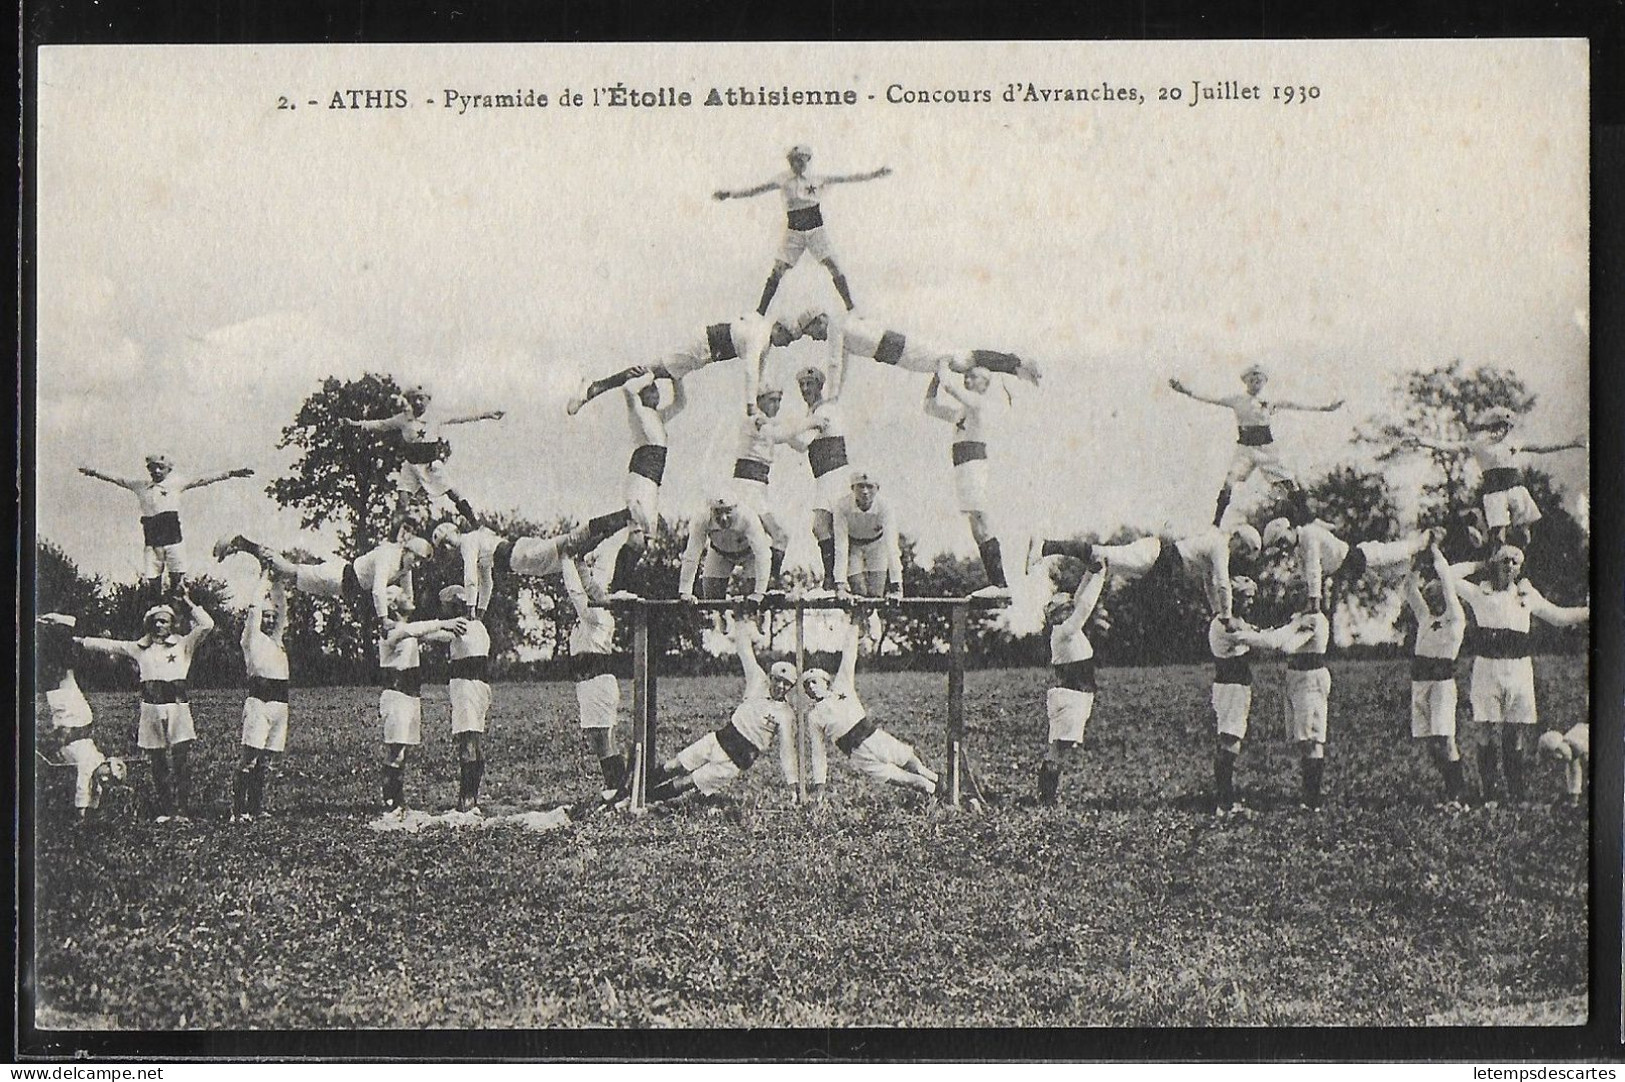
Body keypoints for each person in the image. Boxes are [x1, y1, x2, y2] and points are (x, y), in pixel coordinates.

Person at [1448, 546, 1588, 805]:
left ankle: (1516, 795)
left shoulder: (1526, 595)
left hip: (1519, 669)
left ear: (1520, 568)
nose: (1509, 564)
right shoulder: (1480, 592)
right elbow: (1448, 575)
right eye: (1504, 560)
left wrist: (1589, 611)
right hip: (1487, 668)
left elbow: (1558, 616)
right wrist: (1478, 565)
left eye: (1515, 561)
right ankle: (1489, 795)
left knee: (1514, 735)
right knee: (1486, 732)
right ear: (1495, 563)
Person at [75, 591, 215, 821]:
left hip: (178, 708)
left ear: (172, 624)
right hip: (151, 709)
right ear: (149, 624)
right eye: (155, 621)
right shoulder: (140, 648)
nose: (159, 625)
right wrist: (81, 641)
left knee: (180, 760)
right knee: (158, 762)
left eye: (164, 621)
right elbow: (112, 646)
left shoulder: (183, 645)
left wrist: (188, 602)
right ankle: (166, 810)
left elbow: (207, 624)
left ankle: (182, 811)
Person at [713, 145, 892, 315]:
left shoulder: (817, 179)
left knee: (833, 265)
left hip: (816, 231)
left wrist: (875, 174)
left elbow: (848, 178)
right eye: (793, 161)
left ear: (807, 160)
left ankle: (851, 309)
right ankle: (760, 313)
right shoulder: (782, 179)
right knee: (778, 269)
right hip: (794, 233)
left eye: (801, 160)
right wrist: (730, 194)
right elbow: (755, 190)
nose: (797, 164)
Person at [643, 617, 799, 804]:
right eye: (777, 680)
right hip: (719, 738)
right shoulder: (758, 681)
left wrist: (793, 784)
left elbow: (787, 750)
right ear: (770, 677)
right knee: (674, 765)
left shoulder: (786, 714)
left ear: (791, 687)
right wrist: (742, 618)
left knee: (686, 782)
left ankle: (648, 801)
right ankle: (631, 794)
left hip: (736, 758)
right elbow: (745, 651)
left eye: (786, 684)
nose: (780, 686)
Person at [1167, 365, 1343, 527]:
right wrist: (1185, 390)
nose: (1255, 383)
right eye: (1251, 380)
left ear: (1264, 382)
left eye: (1259, 380)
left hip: (1267, 448)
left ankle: (1307, 519)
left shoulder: (1270, 400)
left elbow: (1295, 404)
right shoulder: (1238, 400)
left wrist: (1325, 408)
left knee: (1288, 481)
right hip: (1245, 448)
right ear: (1245, 382)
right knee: (1230, 480)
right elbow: (1211, 398)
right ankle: (1216, 522)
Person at [78, 454, 255, 601]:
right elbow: (117, 478)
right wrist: (93, 472)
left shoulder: (175, 484)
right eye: (152, 468)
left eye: (160, 467)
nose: (155, 471)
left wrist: (231, 473)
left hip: (172, 538)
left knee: (177, 582)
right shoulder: (140, 486)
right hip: (152, 540)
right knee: (153, 583)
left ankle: (180, 616)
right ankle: (156, 616)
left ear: (168, 470)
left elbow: (202, 479)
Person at [1407, 406, 1586, 550]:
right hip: (1494, 493)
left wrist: (1571, 443)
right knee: (1498, 535)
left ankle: (1517, 562)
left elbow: (1541, 448)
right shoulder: (1479, 444)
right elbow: (1450, 446)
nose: (1500, 431)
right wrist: (1422, 441)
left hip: (1515, 488)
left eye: (1505, 427)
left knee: (1524, 535)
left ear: (1508, 429)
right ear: (1490, 427)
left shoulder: (1513, 442)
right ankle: (1495, 559)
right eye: (1497, 426)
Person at [802, 615, 939, 799]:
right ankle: (932, 791)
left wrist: (855, 622)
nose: (811, 687)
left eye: (814, 682)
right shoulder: (813, 717)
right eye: (807, 685)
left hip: (873, 736)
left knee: (911, 762)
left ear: (826, 682)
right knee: (908, 780)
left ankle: (940, 782)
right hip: (857, 754)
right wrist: (820, 785)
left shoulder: (841, 686)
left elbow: (849, 655)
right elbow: (818, 752)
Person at [565, 313, 799, 416]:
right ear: (779, 328)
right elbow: (750, 370)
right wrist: (750, 406)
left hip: (705, 350)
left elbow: (759, 374)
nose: (786, 345)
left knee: (649, 371)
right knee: (649, 373)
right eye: (787, 338)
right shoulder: (761, 335)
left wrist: (761, 406)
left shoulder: (764, 341)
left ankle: (594, 387)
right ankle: (593, 387)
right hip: (703, 347)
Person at [342, 385, 503, 527]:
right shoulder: (403, 419)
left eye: (421, 399)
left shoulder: (436, 416)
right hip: (411, 466)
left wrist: (487, 414)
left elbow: (461, 417)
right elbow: (381, 424)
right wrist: (356, 424)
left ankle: (474, 524)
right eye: (414, 400)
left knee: (453, 493)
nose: (418, 403)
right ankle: (395, 539)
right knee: (402, 500)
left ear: (428, 400)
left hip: (430, 464)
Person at [1031, 524, 1261, 623]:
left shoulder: (1217, 543)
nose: (1241, 553)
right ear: (1239, 539)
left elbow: (1210, 583)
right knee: (1100, 556)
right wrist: (1226, 615)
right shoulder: (1221, 546)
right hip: (1158, 558)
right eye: (1244, 548)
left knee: (1101, 563)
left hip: (1159, 560)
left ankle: (1074, 603)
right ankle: (1045, 546)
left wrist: (1217, 612)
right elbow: (1221, 583)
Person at [428, 511, 630, 618]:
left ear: (453, 533)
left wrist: (471, 610)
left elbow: (470, 578)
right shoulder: (477, 544)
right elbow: (486, 584)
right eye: (444, 546)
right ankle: (610, 599)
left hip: (520, 555)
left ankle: (622, 518)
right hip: (523, 563)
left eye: (447, 542)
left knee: (572, 543)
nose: (448, 547)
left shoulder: (468, 541)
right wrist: (480, 613)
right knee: (578, 564)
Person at [1023, 559, 1107, 806]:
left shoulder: (1066, 630)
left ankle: (1046, 798)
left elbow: (1080, 599)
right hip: (1072, 696)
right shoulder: (1065, 631)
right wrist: (1100, 576)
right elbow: (1085, 605)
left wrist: (1090, 572)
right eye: (1065, 608)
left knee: (1059, 749)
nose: (1071, 609)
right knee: (1058, 750)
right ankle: (1046, 801)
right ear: (1057, 614)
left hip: (1074, 695)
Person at [375, 588, 467, 813]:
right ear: (394, 606)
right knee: (396, 752)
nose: (411, 597)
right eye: (404, 597)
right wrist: (443, 622)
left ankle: (397, 801)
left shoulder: (408, 631)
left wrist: (465, 625)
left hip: (409, 696)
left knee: (402, 752)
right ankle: (391, 803)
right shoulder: (389, 630)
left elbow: (438, 635)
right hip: (396, 696)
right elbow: (416, 629)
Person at [215, 531, 432, 623]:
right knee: (287, 570)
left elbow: (408, 597)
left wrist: (410, 618)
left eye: (423, 562)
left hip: (341, 587)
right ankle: (242, 543)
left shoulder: (406, 567)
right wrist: (385, 620)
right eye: (418, 558)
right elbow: (377, 591)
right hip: (338, 576)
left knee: (287, 573)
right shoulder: (388, 555)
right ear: (408, 550)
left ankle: (249, 550)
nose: (419, 564)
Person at [925, 360, 1008, 596]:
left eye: (972, 377)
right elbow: (929, 407)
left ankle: (1000, 582)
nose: (967, 380)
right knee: (976, 525)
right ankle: (997, 581)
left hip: (974, 464)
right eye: (966, 376)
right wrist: (934, 379)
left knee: (981, 519)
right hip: (962, 467)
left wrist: (941, 365)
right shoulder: (963, 411)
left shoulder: (980, 402)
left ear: (985, 383)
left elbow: (952, 388)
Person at [794, 310, 1042, 386]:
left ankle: (1017, 363)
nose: (815, 339)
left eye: (812, 332)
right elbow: (842, 365)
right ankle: (1016, 366)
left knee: (957, 359)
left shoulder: (836, 326)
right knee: (957, 360)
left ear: (820, 321)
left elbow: (835, 364)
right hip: (896, 353)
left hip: (898, 348)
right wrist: (834, 396)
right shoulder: (842, 328)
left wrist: (831, 400)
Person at [37, 613, 128, 819]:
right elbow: (84, 787)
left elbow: (90, 787)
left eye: (107, 778)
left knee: (59, 677)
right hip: (77, 720)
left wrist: (88, 809)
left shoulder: (93, 768)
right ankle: (62, 627)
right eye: (107, 775)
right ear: (107, 766)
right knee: (63, 677)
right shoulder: (95, 763)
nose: (104, 779)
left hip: (70, 725)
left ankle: (60, 628)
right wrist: (83, 812)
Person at [728, 384, 819, 589]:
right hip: (746, 486)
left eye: (779, 400)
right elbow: (778, 435)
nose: (776, 405)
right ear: (759, 400)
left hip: (759, 486)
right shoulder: (756, 419)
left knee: (759, 540)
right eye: (771, 400)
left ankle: (759, 583)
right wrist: (810, 421)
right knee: (779, 535)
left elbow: (800, 445)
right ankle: (770, 582)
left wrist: (817, 426)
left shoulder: (771, 423)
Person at [604, 373, 687, 596]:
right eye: (650, 389)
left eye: (656, 389)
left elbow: (681, 403)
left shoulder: (658, 417)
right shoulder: (637, 412)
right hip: (639, 480)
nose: (656, 393)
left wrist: (675, 375)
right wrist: (649, 374)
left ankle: (622, 586)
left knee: (643, 543)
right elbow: (627, 390)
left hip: (652, 485)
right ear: (642, 393)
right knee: (637, 536)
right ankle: (617, 587)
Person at [1203, 576, 1277, 818]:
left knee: (1230, 741)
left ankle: (1225, 801)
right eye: (1248, 598)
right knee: (1229, 743)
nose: (1251, 603)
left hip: (1235, 686)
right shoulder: (1227, 625)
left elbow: (1255, 631)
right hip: (1231, 688)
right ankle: (1224, 805)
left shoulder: (1235, 621)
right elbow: (1263, 641)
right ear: (1233, 599)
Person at [1403, 544, 1469, 809]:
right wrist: (1416, 561)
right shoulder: (1424, 618)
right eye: (1428, 596)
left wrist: (1436, 551)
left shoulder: (1455, 617)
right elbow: (1409, 590)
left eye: (1435, 595)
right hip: (1420, 682)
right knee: (1431, 744)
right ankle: (1450, 788)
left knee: (1445, 738)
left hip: (1442, 682)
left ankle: (1458, 797)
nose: (1430, 599)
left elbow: (1447, 582)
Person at [1261, 520, 1440, 615]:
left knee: (1401, 551)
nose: (1284, 547)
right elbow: (1305, 573)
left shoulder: (1308, 536)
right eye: (1280, 546)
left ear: (1289, 529)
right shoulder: (1300, 547)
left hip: (1359, 558)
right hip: (1350, 569)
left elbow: (1314, 570)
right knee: (1398, 574)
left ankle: (1429, 536)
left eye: (1282, 541)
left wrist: (1314, 602)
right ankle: (1426, 559)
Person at [561, 555, 628, 804]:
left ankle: (618, 788)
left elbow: (576, 593)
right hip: (586, 683)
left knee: (603, 737)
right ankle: (617, 786)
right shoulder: (585, 620)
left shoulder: (598, 615)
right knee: (597, 737)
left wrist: (567, 562)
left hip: (598, 680)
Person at [232, 574, 290, 821]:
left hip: (279, 705)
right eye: (266, 617)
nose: (269, 620)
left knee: (265, 760)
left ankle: (256, 807)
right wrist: (264, 579)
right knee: (250, 757)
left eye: (271, 617)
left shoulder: (276, 641)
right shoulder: (251, 639)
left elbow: (283, 610)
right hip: (260, 703)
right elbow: (255, 609)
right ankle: (237, 810)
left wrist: (277, 582)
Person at [794, 365, 853, 592]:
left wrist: (775, 433)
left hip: (836, 474)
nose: (806, 389)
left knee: (828, 527)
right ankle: (833, 579)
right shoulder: (812, 413)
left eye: (810, 384)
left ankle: (836, 579)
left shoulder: (825, 410)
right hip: (823, 478)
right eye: (802, 385)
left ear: (820, 386)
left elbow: (802, 443)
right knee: (822, 528)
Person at [439, 586, 492, 814]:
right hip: (480, 686)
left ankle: (467, 800)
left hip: (465, 686)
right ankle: (472, 797)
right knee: (475, 741)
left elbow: (433, 634)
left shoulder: (460, 625)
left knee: (467, 742)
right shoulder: (479, 625)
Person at [677, 494, 771, 604]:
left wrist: (759, 592)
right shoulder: (702, 518)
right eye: (718, 512)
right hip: (720, 553)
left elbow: (763, 554)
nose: (723, 517)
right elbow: (692, 554)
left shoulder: (747, 517)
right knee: (711, 596)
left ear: (736, 508)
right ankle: (719, 619)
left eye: (728, 511)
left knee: (754, 600)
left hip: (750, 555)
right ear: (711, 510)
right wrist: (685, 591)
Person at [832, 471, 903, 601]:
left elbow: (892, 547)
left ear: (877, 489)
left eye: (870, 487)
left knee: (875, 597)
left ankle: (872, 619)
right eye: (860, 486)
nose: (865, 491)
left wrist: (897, 586)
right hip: (853, 547)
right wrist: (840, 586)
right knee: (858, 595)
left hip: (877, 545)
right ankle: (858, 620)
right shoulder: (842, 506)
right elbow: (841, 546)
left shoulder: (885, 507)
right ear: (852, 488)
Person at [1537, 723, 1590, 809]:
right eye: (1553, 758)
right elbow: (1574, 772)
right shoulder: (1571, 754)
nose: (1559, 757)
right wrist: (1574, 797)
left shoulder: (1579, 745)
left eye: (1559, 750)